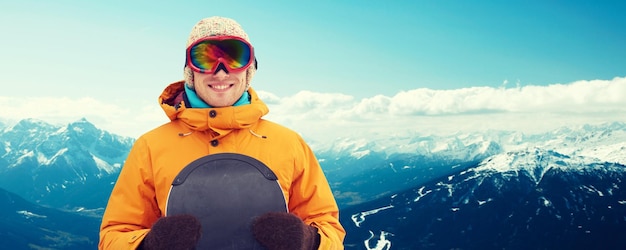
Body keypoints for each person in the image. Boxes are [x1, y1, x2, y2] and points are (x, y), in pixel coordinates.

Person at [99, 16, 345, 249]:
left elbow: (330, 230)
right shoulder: (151, 147)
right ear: (190, 70)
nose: (220, 71)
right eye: (205, 59)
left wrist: (308, 241)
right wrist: (148, 245)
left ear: (249, 70)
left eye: (234, 57)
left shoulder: (289, 144)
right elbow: (113, 236)